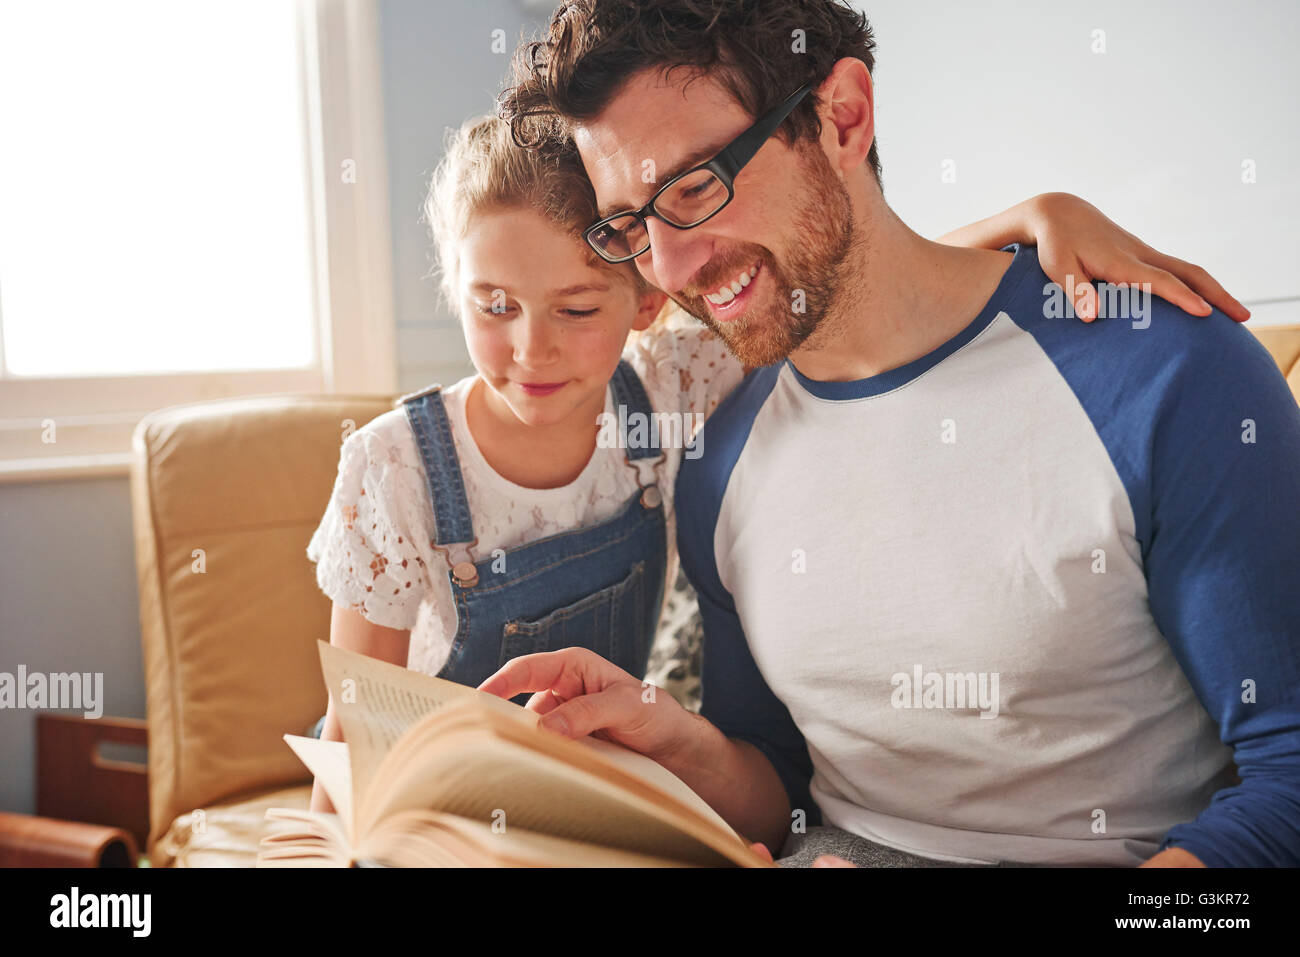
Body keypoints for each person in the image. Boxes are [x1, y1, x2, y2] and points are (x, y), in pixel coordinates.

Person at [480, 0, 1300, 867]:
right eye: (630, 226)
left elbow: (1289, 786)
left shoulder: (1171, 374)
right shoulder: (720, 460)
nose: (672, 268)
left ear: (843, 116)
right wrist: (672, 736)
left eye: (694, 188)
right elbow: (784, 793)